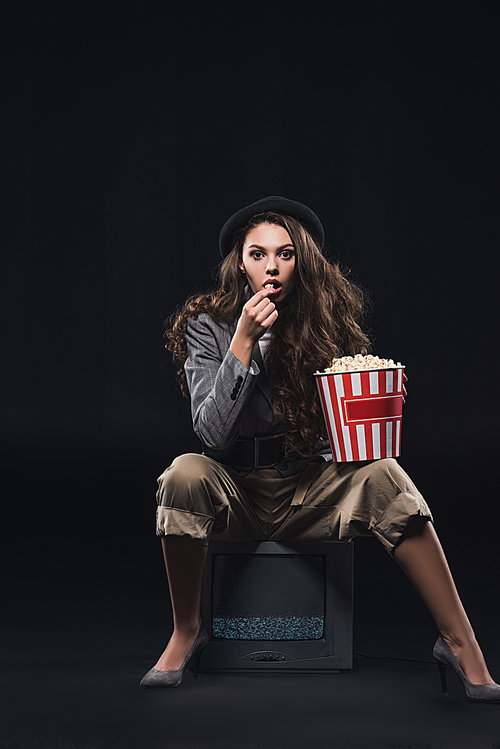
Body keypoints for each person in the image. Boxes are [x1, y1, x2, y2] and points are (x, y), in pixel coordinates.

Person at [140, 196, 499, 701]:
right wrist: (243, 341)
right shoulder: (210, 325)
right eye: (257, 254)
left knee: (387, 475)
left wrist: (371, 403)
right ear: (239, 263)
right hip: (235, 494)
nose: (271, 268)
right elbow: (213, 433)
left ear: (301, 260)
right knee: (183, 472)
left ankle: (461, 645)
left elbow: (340, 436)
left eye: (285, 254)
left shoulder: (322, 322)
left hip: (306, 489)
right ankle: (186, 632)